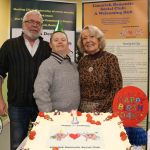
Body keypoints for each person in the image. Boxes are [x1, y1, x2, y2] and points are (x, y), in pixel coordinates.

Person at [0, 10, 51, 150]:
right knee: (17, 144)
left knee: (42, 143)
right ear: (23, 24)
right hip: (17, 105)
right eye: (31, 22)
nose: (34, 25)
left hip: (42, 106)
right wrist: (0, 100)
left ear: (41, 27)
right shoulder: (9, 45)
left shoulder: (48, 48)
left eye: (38, 23)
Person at [33, 23, 80, 112]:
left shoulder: (74, 66)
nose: (60, 42)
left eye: (63, 39)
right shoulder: (47, 65)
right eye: (56, 40)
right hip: (56, 117)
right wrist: (48, 114)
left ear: (68, 43)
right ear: (50, 45)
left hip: (74, 115)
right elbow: (40, 92)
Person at [77, 25, 122, 113]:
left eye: (92, 37)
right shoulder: (82, 62)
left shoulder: (110, 59)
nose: (88, 40)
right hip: (82, 111)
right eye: (84, 38)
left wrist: (99, 109)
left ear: (99, 40)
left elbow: (117, 88)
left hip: (105, 110)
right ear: (82, 43)